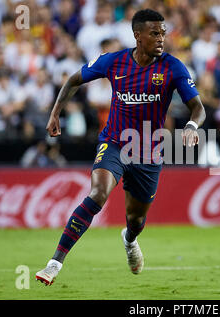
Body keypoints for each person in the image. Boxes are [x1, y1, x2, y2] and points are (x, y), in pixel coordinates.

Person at [36, 9, 206, 286]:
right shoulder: (113, 62)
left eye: (163, 33)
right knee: (97, 194)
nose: (162, 38)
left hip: (149, 153)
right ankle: (54, 263)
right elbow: (72, 80)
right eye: (155, 33)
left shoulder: (173, 67)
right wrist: (55, 113)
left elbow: (198, 108)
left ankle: (129, 240)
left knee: (136, 220)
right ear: (138, 36)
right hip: (114, 143)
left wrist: (191, 126)